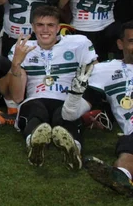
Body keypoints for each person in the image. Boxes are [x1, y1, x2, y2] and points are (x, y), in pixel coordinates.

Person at [7, 5, 97, 169]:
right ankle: (33, 145)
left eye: (51, 25)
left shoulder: (78, 43)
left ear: (58, 27)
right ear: (33, 27)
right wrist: (16, 63)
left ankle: (73, 149)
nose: (45, 30)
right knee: (36, 111)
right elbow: (17, 96)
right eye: (40, 25)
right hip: (35, 99)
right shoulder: (21, 48)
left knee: (63, 115)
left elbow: (94, 72)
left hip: (66, 98)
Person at [61, 21, 133, 196]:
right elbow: (70, 115)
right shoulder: (104, 71)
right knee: (128, 147)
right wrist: (75, 93)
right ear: (120, 44)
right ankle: (122, 178)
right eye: (132, 41)